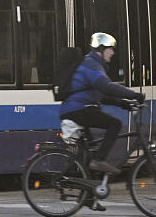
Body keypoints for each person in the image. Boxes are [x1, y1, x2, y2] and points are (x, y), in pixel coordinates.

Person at [59, 32, 145, 176]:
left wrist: (123, 103)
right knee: (115, 124)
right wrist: (134, 95)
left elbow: (101, 96)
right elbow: (107, 86)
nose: (112, 52)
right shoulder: (91, 65)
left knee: (90, 151)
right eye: (110, 49)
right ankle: (100, 160)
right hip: (78, 109)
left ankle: (89, 190)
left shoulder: (93, 64)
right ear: (101, 49)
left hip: (77, 109)